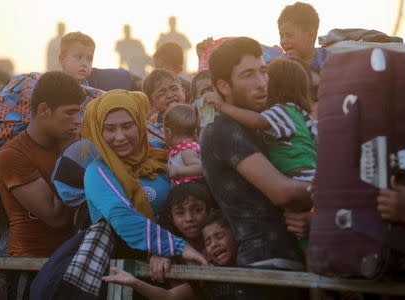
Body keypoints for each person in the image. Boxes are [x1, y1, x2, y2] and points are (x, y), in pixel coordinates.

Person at [201, 37, 312, 273]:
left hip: (291, 262)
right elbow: (285, 193)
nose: (262, 83)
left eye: (264, 71)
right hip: (264, 267)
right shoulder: (223, 129)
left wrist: (313, 216)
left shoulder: (266, 123)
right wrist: (340, 193)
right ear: (223, 86)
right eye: (248, 75)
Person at [82, 89, 207, 265]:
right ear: (98, 132)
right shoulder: (98, 172)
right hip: (126, 274)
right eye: (109, 129)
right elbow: (122, 216)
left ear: (140, 125)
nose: (120, 137)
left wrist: (168, 250)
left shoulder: (162, 159)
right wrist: (175, 247)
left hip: (182, 262)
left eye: (127, 126)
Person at [0, 72, 83, 258]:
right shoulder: (12, 155)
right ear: (43, 110)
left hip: (71, 262)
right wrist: (68, 156)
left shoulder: (73, 143)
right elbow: (57, 218)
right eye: (70, 112)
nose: (78, 120)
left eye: (79, 112)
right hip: (31, 266)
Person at [103, 211, 278, 299]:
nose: (214, 244)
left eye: (219, 236)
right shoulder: (205, 277)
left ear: (236, 236)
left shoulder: (258, 265)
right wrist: (135, 282)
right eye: (207, 242)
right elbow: (169, 297)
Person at [205, 56, 317, 183]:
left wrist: (223, 106)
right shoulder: (301, 114)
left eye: (265, 77)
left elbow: (258, 121)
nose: (261, 83)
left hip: (297, 175)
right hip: (311, 172)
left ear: (275, 86)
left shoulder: (281, 111)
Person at [277, 1, 331, 71]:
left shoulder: (331, 62)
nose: (283, 41)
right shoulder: (280, 67)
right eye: (281, 36)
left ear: (310, 35)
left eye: (289, 36)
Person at [143, 69, 186, 149]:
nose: (170, 95)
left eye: (174, 89)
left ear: (183, 91)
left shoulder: (197, 116)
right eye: (161, 93)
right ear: (151, 104)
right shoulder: (152, 132)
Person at [163, 104, 202, 186]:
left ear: (168, 132)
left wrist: (178, 170)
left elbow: (200, 168)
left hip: (191, 191)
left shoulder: (186, 150)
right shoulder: (179, 149)